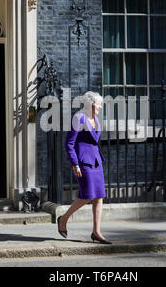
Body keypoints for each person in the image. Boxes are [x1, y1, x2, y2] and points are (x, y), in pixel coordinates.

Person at [57, 91, 112, 244]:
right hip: (83, 161)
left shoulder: (95, 118)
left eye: (100, 105)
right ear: (90, 104)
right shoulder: (78, 117)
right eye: (98, 105)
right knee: (87, 195)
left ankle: (96, 231)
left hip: (95, 160)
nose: (100, 108)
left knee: (99, 195)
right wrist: (75, 163)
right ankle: (63, 219)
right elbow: (69, 143)